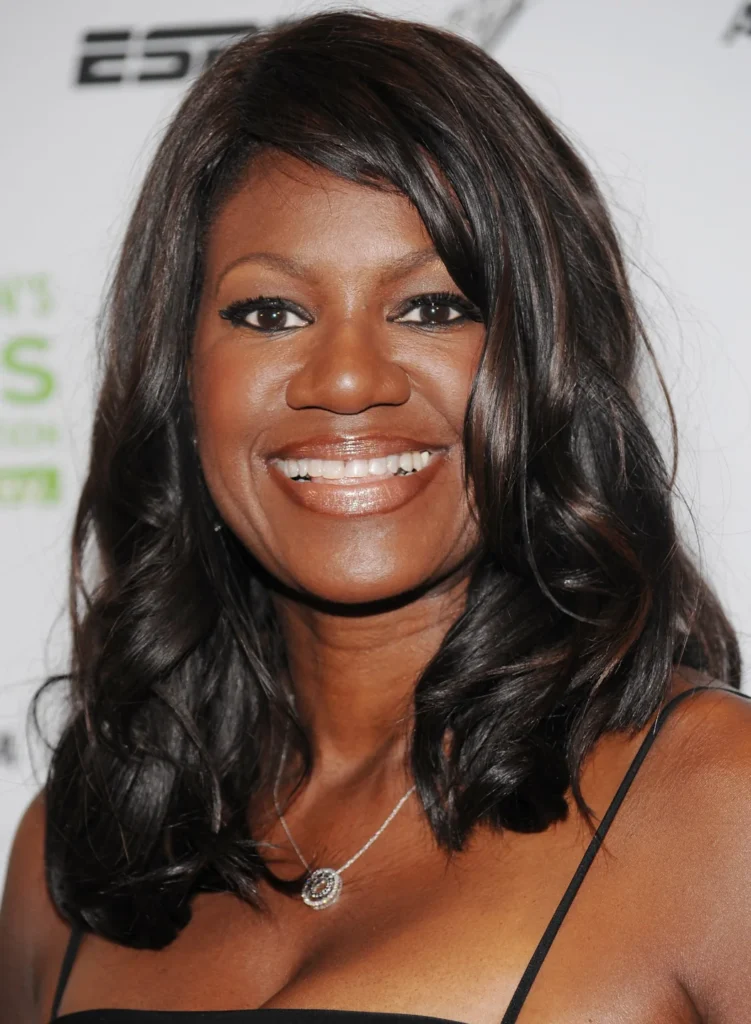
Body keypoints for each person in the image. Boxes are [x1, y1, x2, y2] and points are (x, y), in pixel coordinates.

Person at [1, 9, 749, 1023]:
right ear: (182, 378)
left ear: (540, 361)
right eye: (271, 313)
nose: (347, 380)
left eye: (432, 308)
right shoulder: (77, 849)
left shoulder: (710, 803)